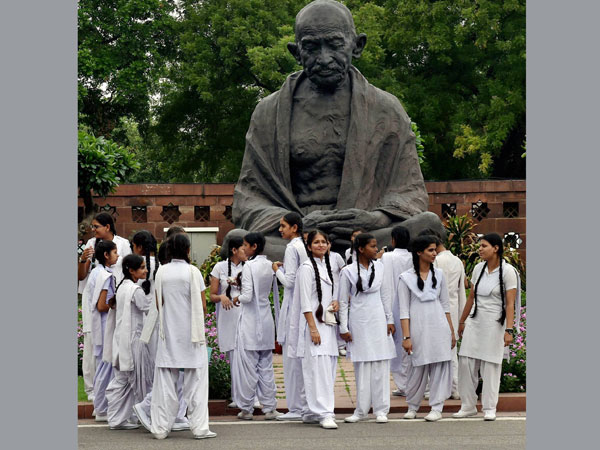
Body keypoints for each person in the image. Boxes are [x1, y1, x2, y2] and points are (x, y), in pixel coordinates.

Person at [230, 0, 441, 258]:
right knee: (236, 239)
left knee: (427, 224)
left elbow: (411, 192)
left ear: (357, 46)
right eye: (311, 47)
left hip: (365, 233)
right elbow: (248, 199)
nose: (324, 58)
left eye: (334, 44)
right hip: (298, 235)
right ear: (296, 52)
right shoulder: (268, 113)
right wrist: (297, 223)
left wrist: (374, 218)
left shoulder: (386, 109)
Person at [149, 233, 215, 440]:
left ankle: (160, 428)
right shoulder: (192, 271)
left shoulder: (162, 272)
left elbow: (159, 303)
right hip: (191, 335)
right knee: (196, 383)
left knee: (164, 384)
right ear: (188, 250)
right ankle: (199, 428)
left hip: (168, 334)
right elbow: (202, 305)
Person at [453, 233, 520, 422]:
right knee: (465, 362)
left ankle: (490, 407)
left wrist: (509, 330)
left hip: (494, 323)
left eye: (484, 245)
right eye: (479, 246)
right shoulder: (478, 268)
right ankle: (468, 406)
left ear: (496, 248)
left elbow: (509, 304)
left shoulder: (508, 272)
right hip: (475, 321)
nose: (479, 249)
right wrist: (462, 321)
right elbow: (472, 296)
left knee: (490, 365)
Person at [132, 231, 190, 433]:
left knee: (168, 371)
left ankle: (170, 413)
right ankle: (152, 408)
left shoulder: (144, 266)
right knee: (172, 371)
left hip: (152, 323)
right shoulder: (166, 270)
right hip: (167, 326)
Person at [338, 233, 396, 424]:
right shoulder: (347, 271)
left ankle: (381, 410)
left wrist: (390, 319)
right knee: (362, 365)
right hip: (359, 319)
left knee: (380, 364)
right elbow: (343, 301)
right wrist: (344, 327)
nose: (376, 249)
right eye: (372, 246)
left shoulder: (380, 267)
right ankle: (361, 410)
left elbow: (386, 294)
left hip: (378, 317)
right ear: (361, 249)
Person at [398, 235, 455, 422]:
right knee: (417, 367)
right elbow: (404, 310)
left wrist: (451, 331)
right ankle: (413, 406)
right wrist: (406, 337)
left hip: (439, 325)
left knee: (439, 365)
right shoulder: (406, 278)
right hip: (418, 327)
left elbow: (445, 305)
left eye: (434, 250)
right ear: (419, 252)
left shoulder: (439, 274)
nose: (434, 253)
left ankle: (437, 407)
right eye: (430, 250)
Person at [78, 212, 131, 401]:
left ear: (107, 227)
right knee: (92, 345)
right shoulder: (90, 244)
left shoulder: (123, 244)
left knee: (111, 344)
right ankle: (92, 392)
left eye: (96, 226)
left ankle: (110, 391)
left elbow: (129, 270)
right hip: (95, 300)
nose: (93, 230)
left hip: (114, 300)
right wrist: (83, 258)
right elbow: (81, 276)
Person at [231, 232, 282, 421]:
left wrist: (236, 297)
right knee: (266, 366)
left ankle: (246, 408)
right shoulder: (270, 265)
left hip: (251, 321)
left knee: (248, 366)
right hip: (266, 318)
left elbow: (247, 296)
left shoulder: (249, 267)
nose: (242, 248)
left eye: (245, 245)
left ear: (253, 247)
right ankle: (269, 407)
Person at [296, 230, 340, 429]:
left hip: (328, 325)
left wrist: (336, 303)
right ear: (309, 246)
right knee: (317, 369)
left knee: (327, 368)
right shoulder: (306, 268)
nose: (321, 245)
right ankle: (325, 412)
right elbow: (305, 303)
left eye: (324, 242)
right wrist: (313, 329)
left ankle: (311, 410)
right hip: (315, 325)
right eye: (316, 242)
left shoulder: (327, 266)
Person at [419, 228, 467, 399]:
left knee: (435, 348)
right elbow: (462, 290)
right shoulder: (457, 261)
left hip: (438, 308)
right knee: (452, 350)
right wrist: (462, 317)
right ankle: (455, 388)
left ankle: (435, 387)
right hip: (454, 307)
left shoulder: (435, 262)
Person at [104, 254, 149, 430]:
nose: (146, 270)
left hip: (121, 339)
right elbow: (146, 307)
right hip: (132, 340)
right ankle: (143, 415)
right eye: (142, 267)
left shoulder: (123, 287)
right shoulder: (135, 290)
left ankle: (116, 419)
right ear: (131, 270)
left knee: (122, 381)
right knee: (139, 381)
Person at [272, 212, 309, 421]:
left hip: (293, 307)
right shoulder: (303, 247)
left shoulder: (292, 247)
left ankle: (296, 407)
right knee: (297, 359)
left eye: (283, 226)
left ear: (294, 228)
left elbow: (290, 282)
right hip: (301, 307)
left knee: (291, 360)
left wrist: (277, 269)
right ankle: (301, 405)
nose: (280, 229)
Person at [82, 239, 119, 422]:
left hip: (99, 325)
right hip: (105, 325)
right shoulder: (105, 276)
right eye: (114, 253)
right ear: (106, 255)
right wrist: (116, 302)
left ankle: (100, 406)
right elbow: (102, 305)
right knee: (105, 368)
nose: (117, 256)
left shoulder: (97, 273)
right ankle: (102, 407)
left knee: (101, 367)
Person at [209, 235, 248, 408]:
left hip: (246, 313)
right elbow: (212, 295)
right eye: (243, 247)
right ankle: (236, 396)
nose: (246, 251)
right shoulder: (220, 267)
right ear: (234, 250)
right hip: (228, 314)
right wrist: (222, 297)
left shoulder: (250, 267)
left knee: (247, 354)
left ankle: (249, 395)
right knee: (233, 354)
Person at [379, 225, 413, 397]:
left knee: (398, 346)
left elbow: (385, 284)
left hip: (394, 305)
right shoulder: (413, 256)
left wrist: (388, 315)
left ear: (393, 240)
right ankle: (411, 383)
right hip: (412, 305)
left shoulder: (388, 257)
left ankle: (404, 384)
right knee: (409, 342)